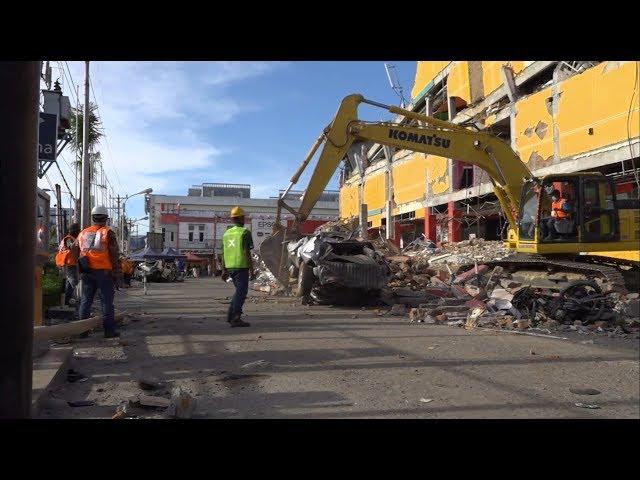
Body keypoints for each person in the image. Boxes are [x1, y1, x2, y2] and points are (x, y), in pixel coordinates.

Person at [71, 205, 122, 338]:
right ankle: (109, 332)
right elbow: (114, 255)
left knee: (86, 301)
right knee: (106, 302)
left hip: (87, 272)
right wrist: (117, 275)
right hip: (104, 273)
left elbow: (74, 249)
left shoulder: (83, 233)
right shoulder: (108, 232)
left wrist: (79, 265)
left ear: (92, 218)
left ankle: (83, 332)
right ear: (106, 218)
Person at [221, 206, 256, 327]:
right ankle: (235, 317)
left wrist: (224, 270)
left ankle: (231, 316)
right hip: (241, 267)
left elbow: (223, 253)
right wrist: (252, 270)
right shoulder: (245, 233)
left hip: (230, 268)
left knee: (238, 292)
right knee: (241, 293)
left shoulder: (226, 233)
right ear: (241, 218)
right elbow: (247, 252)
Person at [55, 222, 81, 307]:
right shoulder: (68, 239)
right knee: (74, 282)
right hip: (68, 264)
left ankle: (67, 301)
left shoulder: (70, 238)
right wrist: (78, 240)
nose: (79, 232)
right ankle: (74, 301)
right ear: (74, 231)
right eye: (78, 231)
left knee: (70, 284)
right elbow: (71, 247)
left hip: (69, 263)